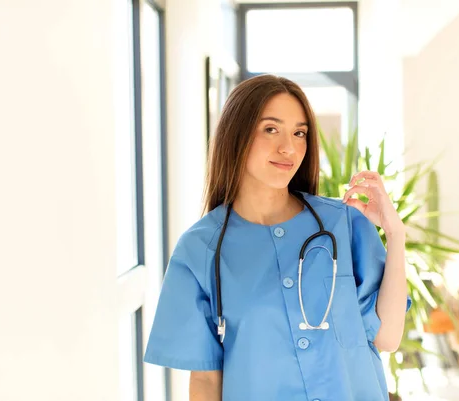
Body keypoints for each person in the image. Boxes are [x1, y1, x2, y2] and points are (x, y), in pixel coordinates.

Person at [143, 74, 411, 401]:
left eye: (299, 133)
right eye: (271, 129)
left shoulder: (343, 223)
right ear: (236, 134)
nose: (288, 147)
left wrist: (396, 234)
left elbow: (387, 337)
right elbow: (206, 380)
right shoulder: (200, 250)